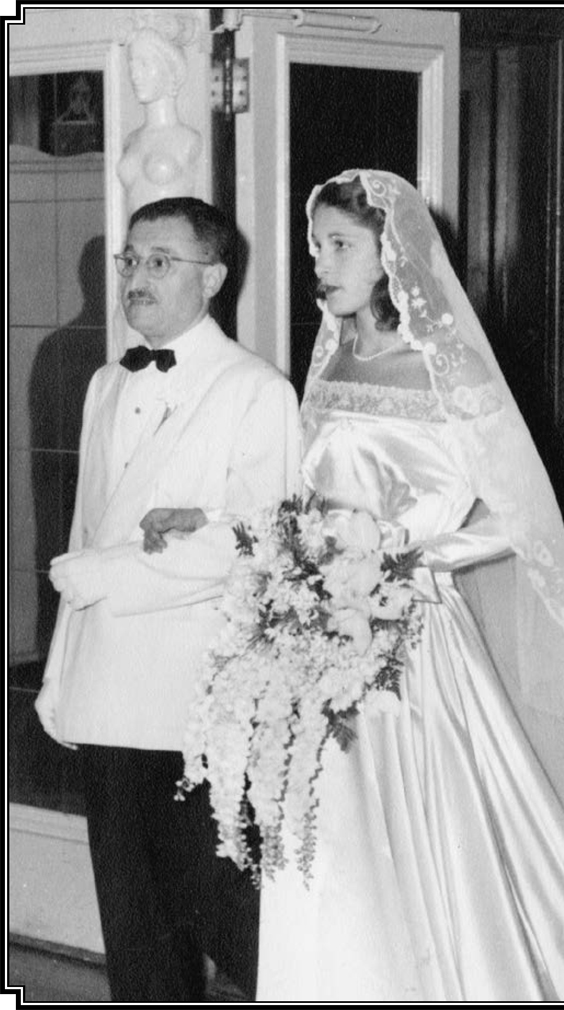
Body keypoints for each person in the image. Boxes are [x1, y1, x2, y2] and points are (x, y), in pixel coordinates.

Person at [254, 170, 564, 1001]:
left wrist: (408, 559)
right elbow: (313, 503)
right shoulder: (329, 370)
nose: (320, 264)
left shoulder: (445, 374)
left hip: (417, 646)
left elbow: (518, 515)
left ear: (391, 257)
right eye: (315, 247)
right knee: (327, 841)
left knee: (430, 834)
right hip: (322, 638)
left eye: (340, 246)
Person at [34, 195, 301, 1003]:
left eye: (161, 262)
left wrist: (110, 576)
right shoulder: (107, 384)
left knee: (225, 911)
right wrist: (59, 673)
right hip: (108, 693)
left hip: (194, 698)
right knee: (133, 924)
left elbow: (252, 542)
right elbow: (87, 531)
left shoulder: (257, 391)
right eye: (130, 260)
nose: (137, 278)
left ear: (213, 276)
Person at [117, 28, 204, 215]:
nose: (135, 75)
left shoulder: (190, 140)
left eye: (144, 64)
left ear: (170, 69)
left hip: (174, 240)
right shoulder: (131, 140)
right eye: (132, 66)